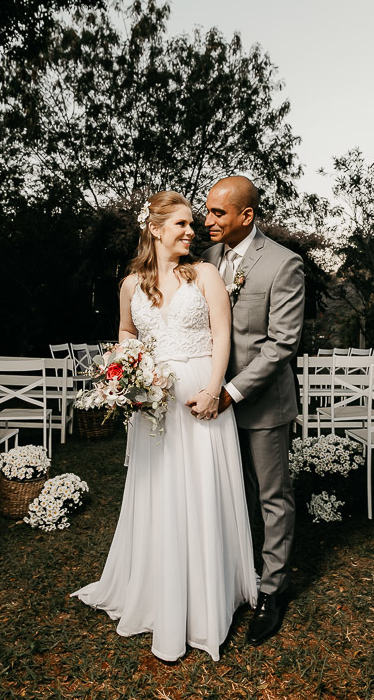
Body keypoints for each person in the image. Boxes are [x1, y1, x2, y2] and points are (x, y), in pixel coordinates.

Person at [72, 190, 258, 662]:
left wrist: (215, 389)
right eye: (181, 224)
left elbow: (221, 337)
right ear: (155, 229)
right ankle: (159, 593)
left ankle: (205, 597)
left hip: (199, 390)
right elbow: (127, 333)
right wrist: (127, 371)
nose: (192, 231)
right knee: (160, 492)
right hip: (152, 402)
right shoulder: (131, 285)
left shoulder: (207, 275)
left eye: (193, 224)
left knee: (201, 490)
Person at [201, 176, 305, 645]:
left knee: (271, 498)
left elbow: (282, 345)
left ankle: (273, 591)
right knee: (231, 494)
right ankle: (240, 577)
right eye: (206, 211)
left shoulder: (284, 264)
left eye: (218, 213)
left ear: (246, 216)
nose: (208, 221)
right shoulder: (205, 261)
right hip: (213, 405)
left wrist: (232, 392)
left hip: (262, 405)